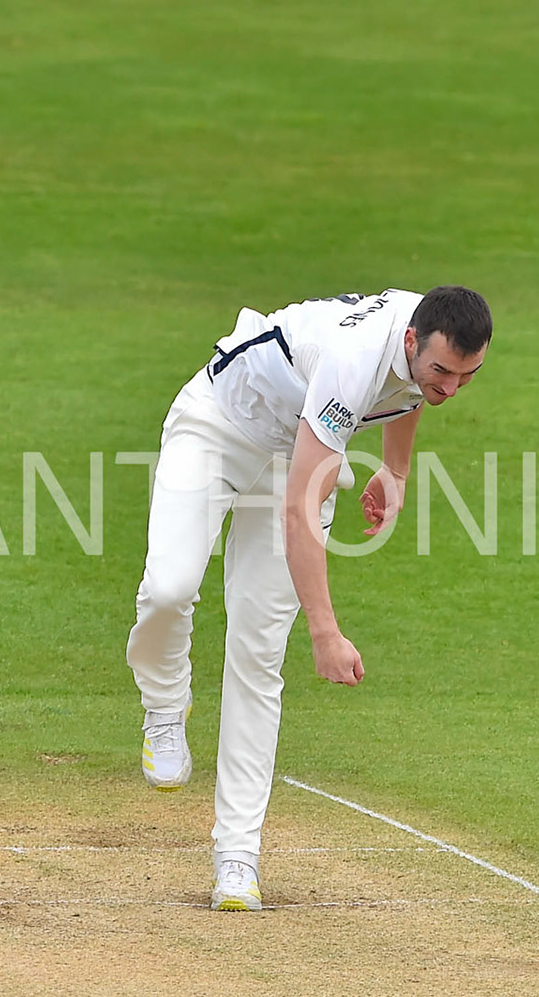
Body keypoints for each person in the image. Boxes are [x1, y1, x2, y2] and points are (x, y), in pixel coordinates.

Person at [126, 286, 491, 910]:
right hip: (220, 424)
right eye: (443, 372)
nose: (451, 388)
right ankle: (164, 705)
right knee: (169, 587)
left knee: (256, 654)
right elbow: (301, 506)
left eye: (468, 376)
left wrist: (396, 472)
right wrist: (325, 631)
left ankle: (236, 856)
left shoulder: (427, 335)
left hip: (298, 446)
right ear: (410, 340)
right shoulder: (352, 360)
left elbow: (412, 392)